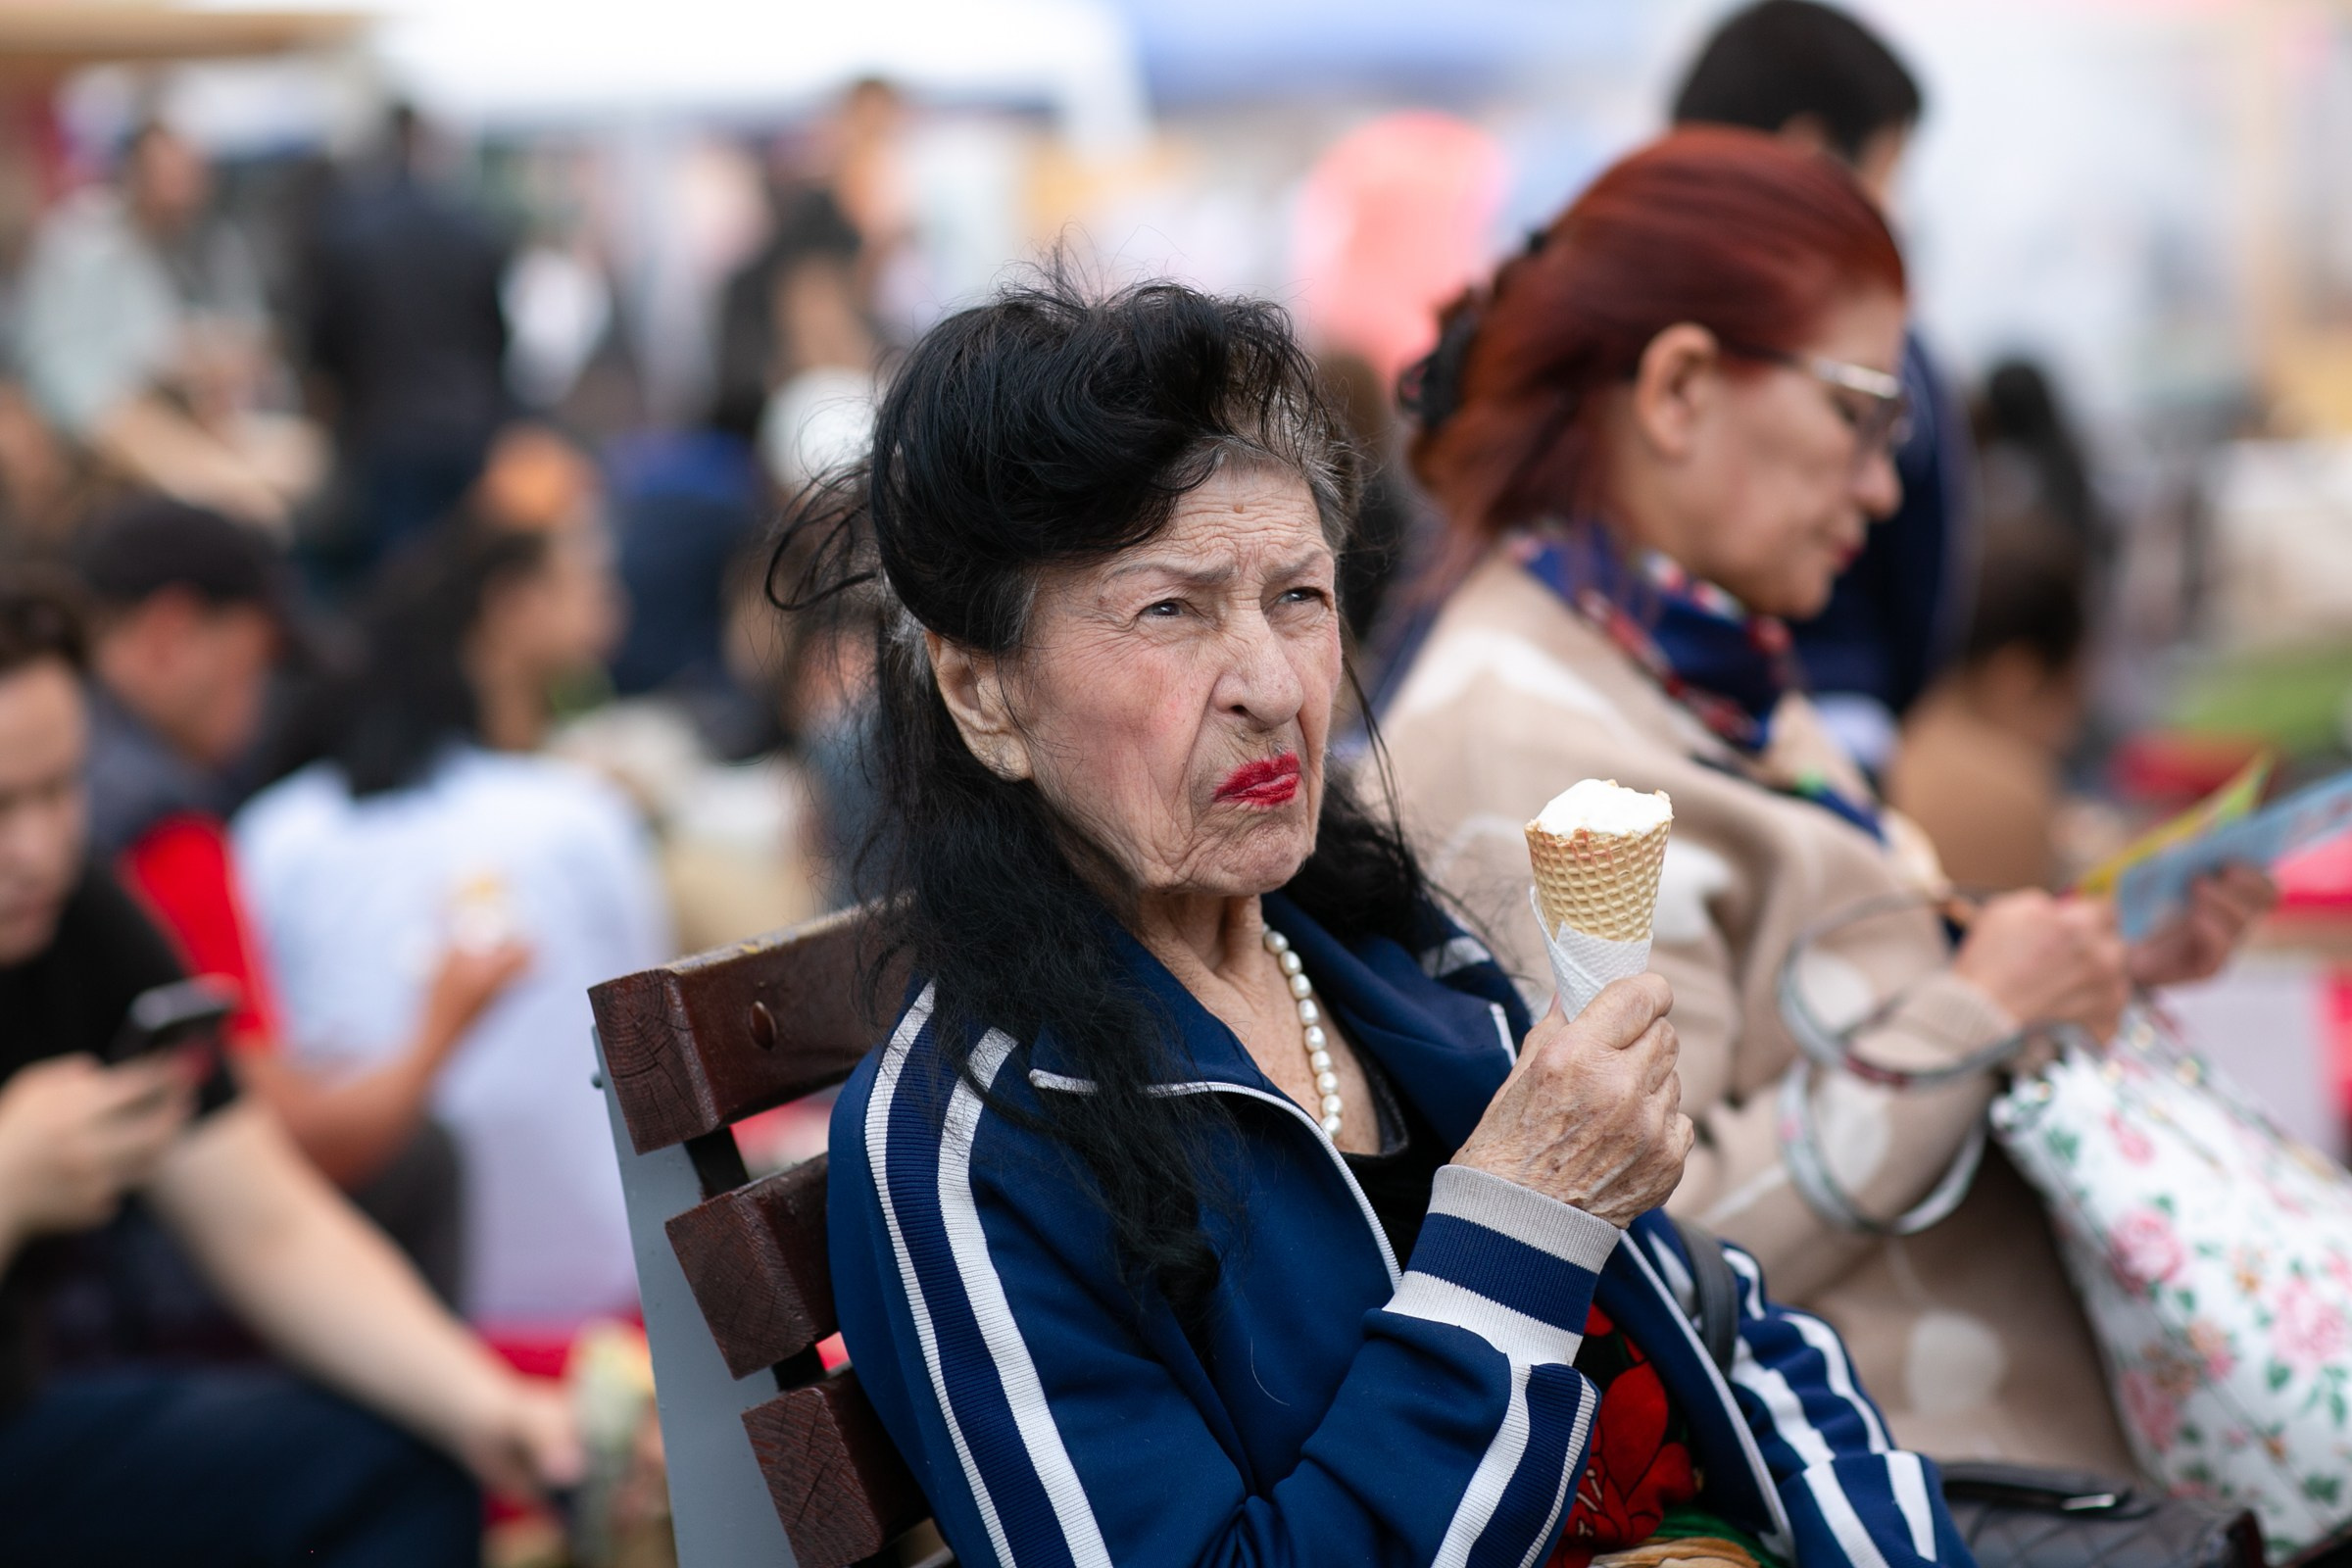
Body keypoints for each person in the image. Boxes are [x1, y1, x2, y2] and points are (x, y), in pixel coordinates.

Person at [808, 272, 1968, 1568]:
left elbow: (1721, 1319)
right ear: (985, 699)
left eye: (1299, 597)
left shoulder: (1388, 951)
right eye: (1171, 610)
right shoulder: (980, 1139)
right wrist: (1519, 1225)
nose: (1270, 685)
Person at [1383, 129, 2275, 1472]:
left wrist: (2079, 957)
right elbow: (1638, 1250)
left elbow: (1828, 1003)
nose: (1881, 486)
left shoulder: (1699, 666)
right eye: (1862, 415)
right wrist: (1981, 1017)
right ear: (1679, 388)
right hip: (1886, 1492)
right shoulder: (1525, 745)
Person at [0, 570, 576, 1563]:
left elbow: (267, 1222)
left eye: (60, 790)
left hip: (30, 1424)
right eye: (2, 805)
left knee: (410, 1461)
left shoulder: (81, 916)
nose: (39, 849)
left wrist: (492, 1406)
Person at [71, 496, 526, 1300]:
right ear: (172, 634)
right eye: (255, 664)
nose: (259, 706)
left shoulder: (90, 773)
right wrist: (441, 1027)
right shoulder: (163, 833)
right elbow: (299, 1144)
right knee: (420, 1154)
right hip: (118, 1284)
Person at [236, 508, 665, 1332]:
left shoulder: (276, 831)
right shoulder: (579, 819)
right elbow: (652, 1045)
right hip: (584, 1288)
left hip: (364, 1297)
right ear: (511, 604)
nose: (612, 609)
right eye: (586, 581)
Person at [1671, 0, 1962, 775]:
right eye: (1851, 415)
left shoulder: (1604, 308)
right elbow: (1923, 588)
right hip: (1834, 710)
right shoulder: (1881, 343)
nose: (1875, 491)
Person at [16, 122, 316, 530]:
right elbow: (67, 372)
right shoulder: (83, 242)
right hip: (106, 419)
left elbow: (226, 337)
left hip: (175, 411)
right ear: (134, 174)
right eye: (169, 176)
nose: (182, 191)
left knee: (295, 464)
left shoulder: (203, 242)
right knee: (254, 503)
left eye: (190, 175)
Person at [302, 103, 513, 579]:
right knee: (464, 572)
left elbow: (326, 341)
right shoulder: (471, 227)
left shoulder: (348, 230)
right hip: (466, 422)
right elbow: (497, 336)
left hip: (385, 427)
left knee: (398, 575)